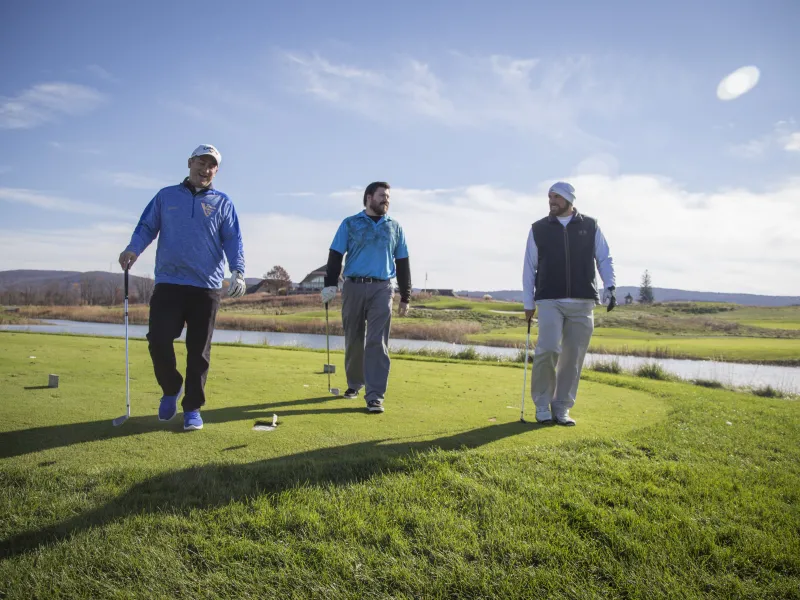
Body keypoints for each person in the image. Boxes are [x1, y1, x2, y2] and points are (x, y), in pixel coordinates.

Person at [118, 144, 246, 431]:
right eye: (201, 162)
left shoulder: (223, 202)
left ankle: (192, 409)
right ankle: (171, 386)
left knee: (198, 351)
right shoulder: (166, 196)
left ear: (216, 170)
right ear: (190, 163)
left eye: (212, 165)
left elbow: (233, 239)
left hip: (206, 287)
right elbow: (146, 226)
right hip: (169, 282)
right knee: (158, 339)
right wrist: (133, 249)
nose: (206, 169)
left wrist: (238, 271)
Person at [522, 181, 616, 426]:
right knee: (549, 349)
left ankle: (561, 407)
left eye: (557, 198)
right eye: (550, 197)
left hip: (583, 301)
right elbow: (528, 268)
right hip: (549, 298)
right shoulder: (538, 228)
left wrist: (611, 286)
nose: (552, 202)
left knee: (573, 358)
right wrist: (527, 301)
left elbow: (604, 258)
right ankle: (542, 404)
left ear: (569, 200)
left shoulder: (591, 226)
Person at [321, 181, 411, 413]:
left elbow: (402, 262)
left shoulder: (395, 227)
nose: (386, 200)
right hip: (353, 286)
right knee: (353, 338)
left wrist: (406, 295)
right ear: (369, 197)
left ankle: (375, 396)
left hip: (382, 288)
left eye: (388, 197)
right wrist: (330, 285)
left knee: (376, 341)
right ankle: (354, 384)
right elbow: (335, 254)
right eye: (382, 196)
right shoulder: (350, 223)